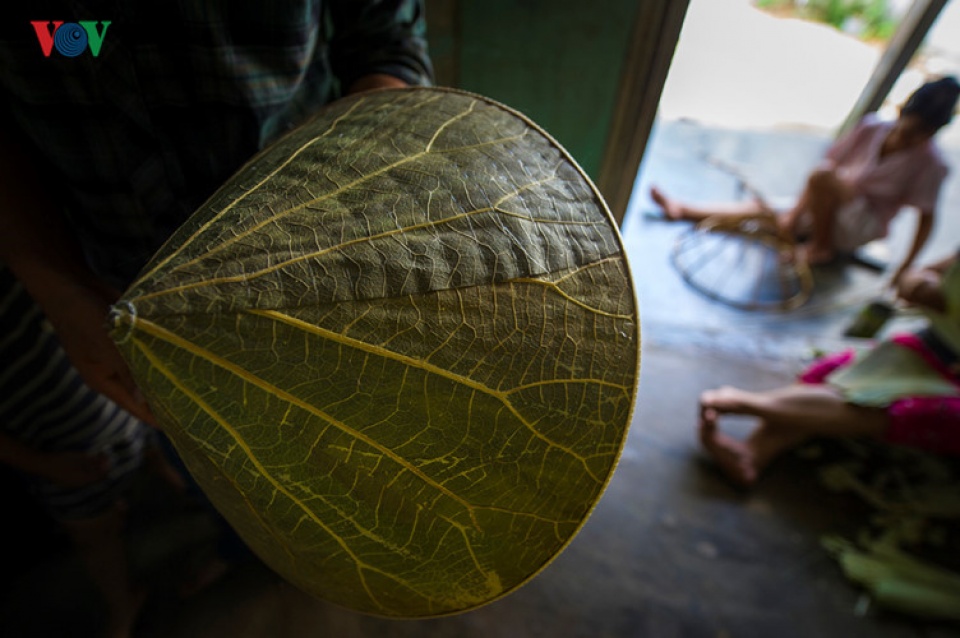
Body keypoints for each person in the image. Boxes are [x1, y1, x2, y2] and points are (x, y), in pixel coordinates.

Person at [0, 3, 433, 635]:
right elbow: (55, 57)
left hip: (313, 287)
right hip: (134, 308)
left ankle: (300, 551)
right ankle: (243, 546)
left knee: (327, 461)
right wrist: (53, 280)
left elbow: (388, 47)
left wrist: (346, 182)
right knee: (222, 471)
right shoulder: (69, 38)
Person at [650, 76, 960, 284]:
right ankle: (683, 209)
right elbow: (826, 172)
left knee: (822, 180)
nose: (910, 137)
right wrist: (795, 215)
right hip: (827, 201)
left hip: (861, 222)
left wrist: (905, 267)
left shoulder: (930, 164)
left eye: (920, 134)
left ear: (933, 133)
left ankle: (820, 246)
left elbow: (926, 218)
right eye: (909, 127)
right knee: (766, 211)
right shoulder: (872, 127)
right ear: (904, 110)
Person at [697, 248, 960, 488]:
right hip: (927, 347)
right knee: (834, 371)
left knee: (908, 410)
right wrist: (918, 284)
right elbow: (916, 276)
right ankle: (755, 451)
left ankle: (754, 405)